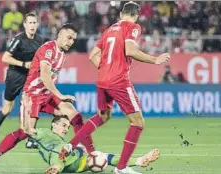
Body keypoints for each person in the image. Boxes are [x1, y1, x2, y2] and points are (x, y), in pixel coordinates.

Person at [59, 2, 170, 174]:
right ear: (136, 15)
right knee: (138, 123)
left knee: (102, 117)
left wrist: (105, 70)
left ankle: (71, 144)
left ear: (120, 14)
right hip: (119, 81)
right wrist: (154, 60)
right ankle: (121, 168)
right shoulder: (132, 27)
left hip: (102, 80)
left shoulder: (109, 30)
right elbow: (130, 50)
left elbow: (92, 56)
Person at [0, 23, 95, 172]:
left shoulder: (61, 54)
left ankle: (91, 152)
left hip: (47, 96)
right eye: (69, 38)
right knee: (25, 132)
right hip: (33, 96)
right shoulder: (48, 49)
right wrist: (60, 95)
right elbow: (45, 76)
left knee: (75, 115)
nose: (71, 42)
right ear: (60, 35)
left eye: (73, 39)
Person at [0, 12, 43, 150]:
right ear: (25, 25)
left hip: (29, 77)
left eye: (34, 23)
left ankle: (30, 138)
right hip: (15, 75)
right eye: (29, 23)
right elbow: (5, 58)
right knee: (8, 107)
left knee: (30, 104)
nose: (32, 25)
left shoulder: (39, 40)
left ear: (37, 25)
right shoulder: (18, 39)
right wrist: (24, 64)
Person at [35, 115, 160, 174]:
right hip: (62, 159)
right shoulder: (43, 132)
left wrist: (80, 149)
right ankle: (56, 168)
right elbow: (28, 131)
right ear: (53, 124)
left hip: (75, 161)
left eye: (67, 127)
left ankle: (139, 161)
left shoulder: (60, 141)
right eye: (63, 125)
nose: (66, 129)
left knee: (103, 156)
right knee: (60, 153)